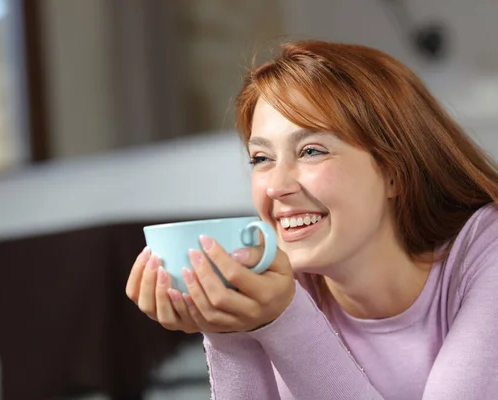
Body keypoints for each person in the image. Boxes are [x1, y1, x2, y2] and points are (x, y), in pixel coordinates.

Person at [125, 40, 498, 399]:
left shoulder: (487, 251)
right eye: (261, 158)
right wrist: (230, 329)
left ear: (394, 174)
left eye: (311, 151)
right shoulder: (275, 285)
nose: (276, 187)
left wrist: (285, 322)